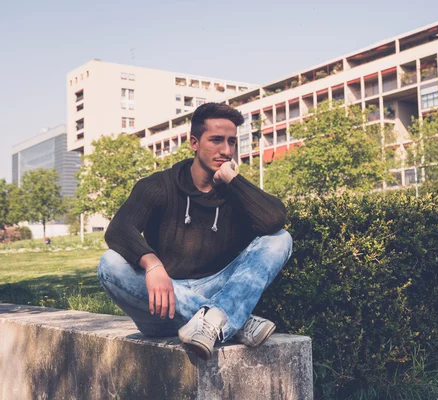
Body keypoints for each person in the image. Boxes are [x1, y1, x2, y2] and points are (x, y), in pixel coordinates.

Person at [97, 103, 292, 360]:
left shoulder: (234, 192)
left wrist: (234, 181)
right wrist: (152, 265)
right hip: (162, 305)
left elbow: (274, 219)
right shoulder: (159, 186)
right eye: (216, 140)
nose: (226, 150)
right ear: (194, 143)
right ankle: (232, 321)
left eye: (232, 142)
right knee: (109, 262)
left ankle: (214, 320)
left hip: (216, 287)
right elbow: (119, 229)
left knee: (281, 239)